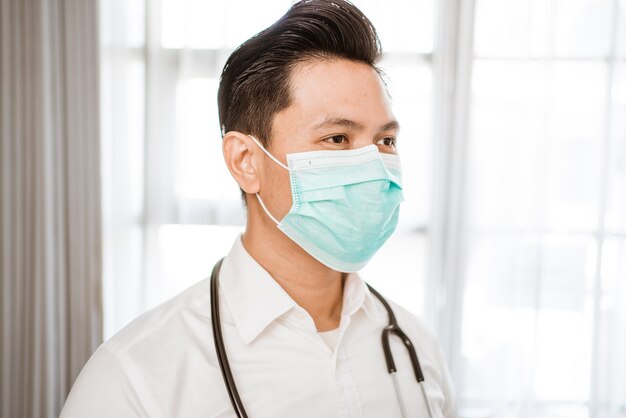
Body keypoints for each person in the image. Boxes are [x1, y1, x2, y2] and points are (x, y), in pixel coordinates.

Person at [60, 1, 458, 417]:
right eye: (337, 138)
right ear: (245, 161)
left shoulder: (415, 345)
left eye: (385, 141)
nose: (375, 166)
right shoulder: (134, 378)